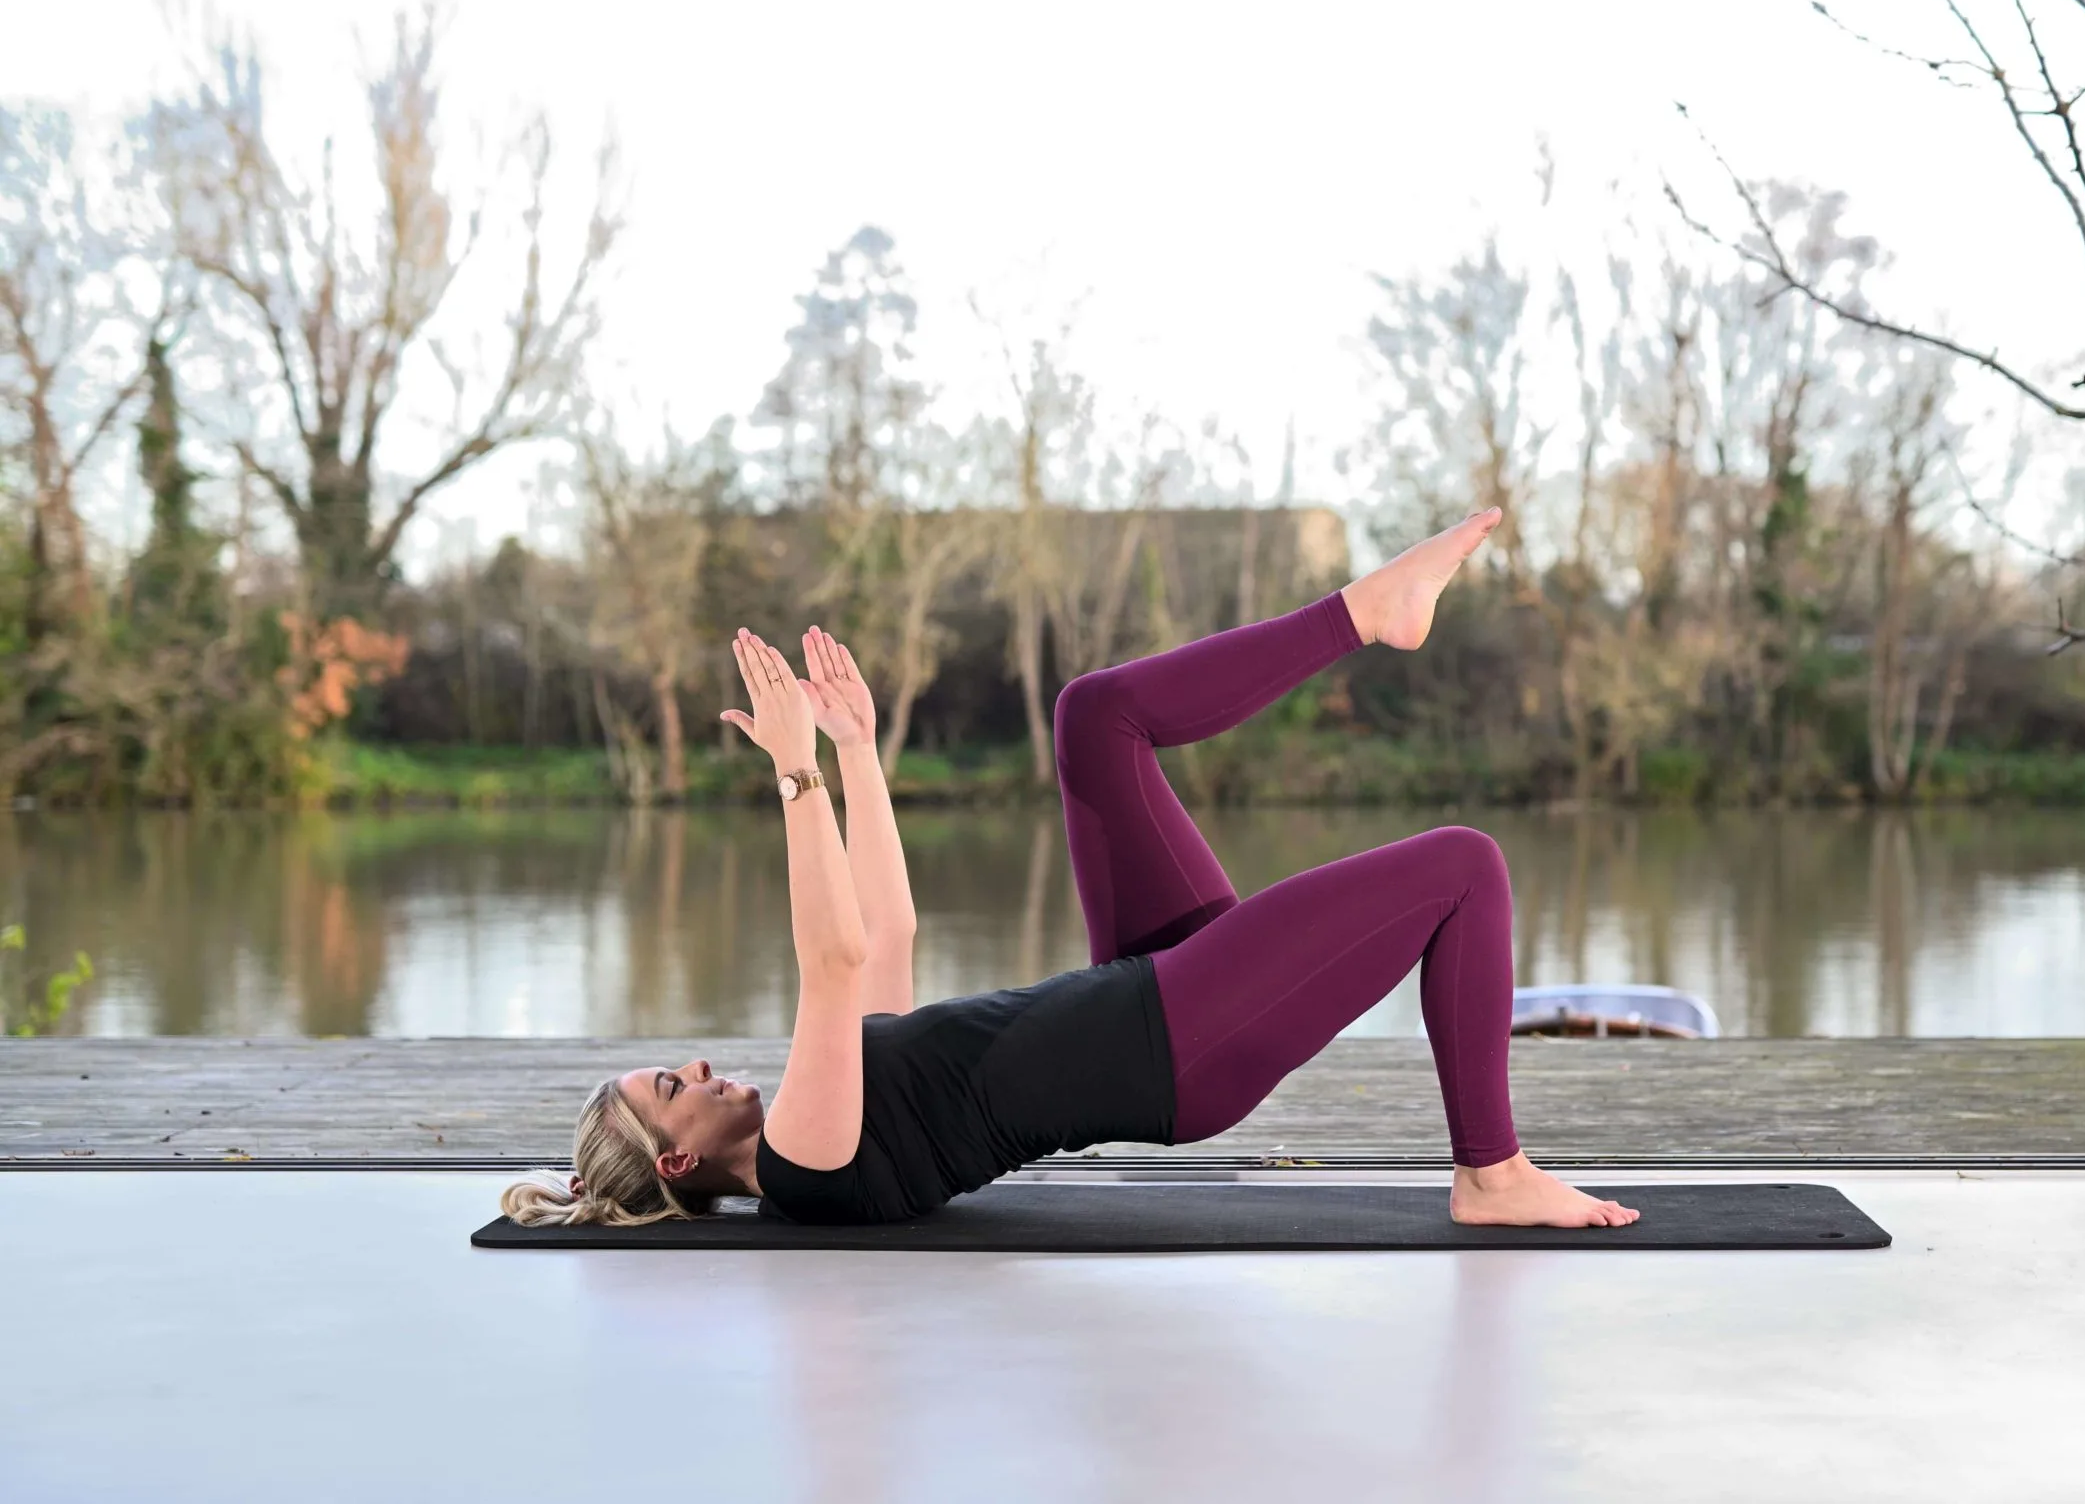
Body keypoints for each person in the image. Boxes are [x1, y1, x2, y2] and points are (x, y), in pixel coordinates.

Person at [501, 509, 1639, 1231]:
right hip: (1173, 1046)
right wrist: (796, 778)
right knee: (1462, 868)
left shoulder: (825, 1112)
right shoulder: (803, 1160)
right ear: (683, 1153)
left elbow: (885, 935)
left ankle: (1362, 613)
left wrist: (855, 752)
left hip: (1148, 987)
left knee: (1095, 714)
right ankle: (1490, 1172)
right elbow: (833, 955)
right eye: (668, 1083)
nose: (692, 1062)